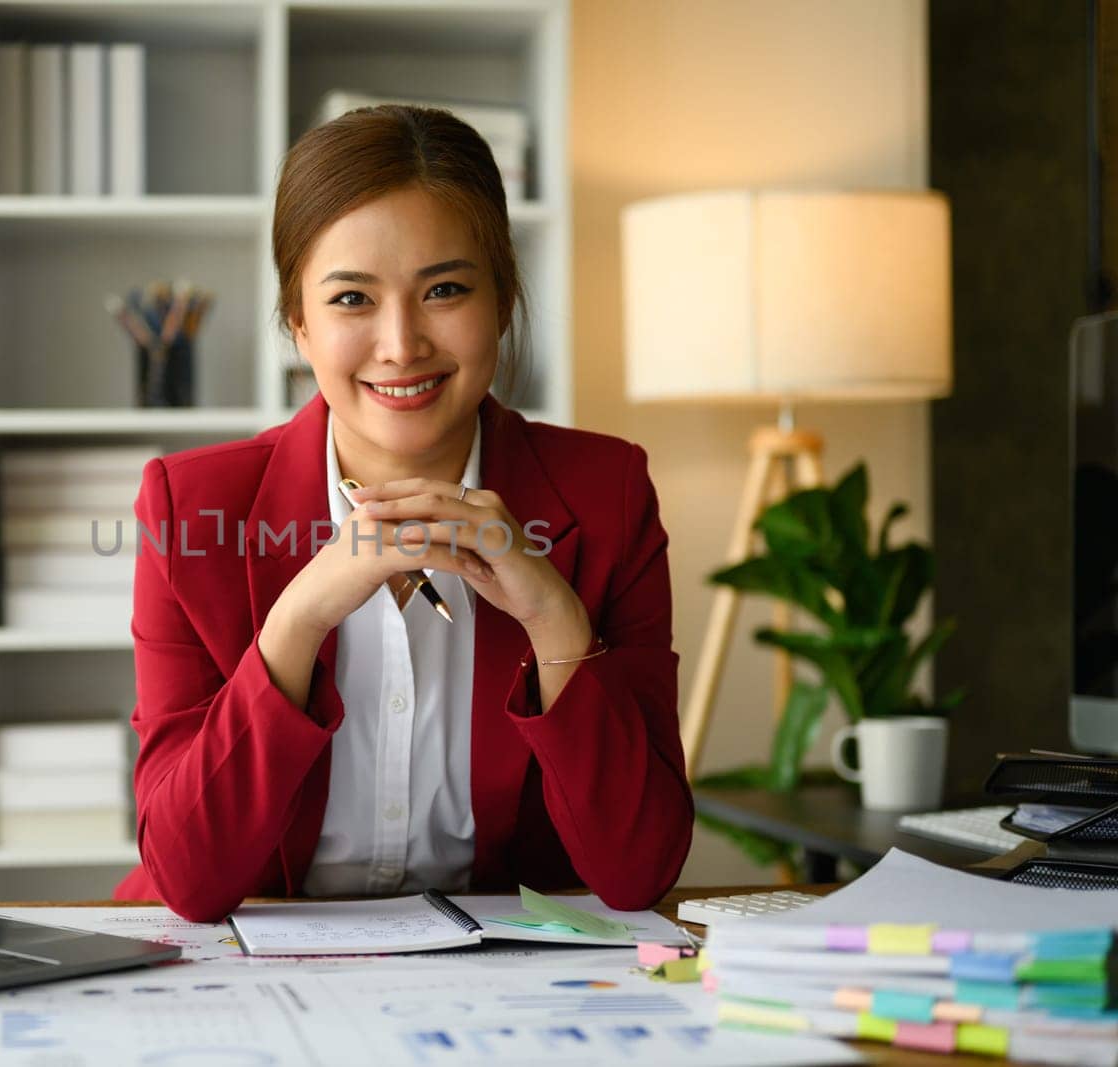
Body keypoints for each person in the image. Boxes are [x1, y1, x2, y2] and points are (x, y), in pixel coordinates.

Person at [113, 105, 692, 923]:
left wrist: (556, 621)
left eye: (446, 289)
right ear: (297, 322)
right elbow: (190, 879)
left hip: (497, 987)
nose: (401, 343)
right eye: (352, 298)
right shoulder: (190, 506)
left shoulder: (608, 494)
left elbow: (640, 872)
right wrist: (302, 615)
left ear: (502, 299)